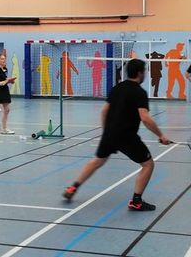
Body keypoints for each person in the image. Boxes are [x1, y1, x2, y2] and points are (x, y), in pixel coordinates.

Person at [62, 59, 171, 211]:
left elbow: (104, 111)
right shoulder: (139, 92)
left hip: (110, 133)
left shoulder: (117, 88)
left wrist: (105, 132)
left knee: (98, 161)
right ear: (140, 73)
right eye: (144, 71)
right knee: (148, 164)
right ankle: (136, 201)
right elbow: (145, 118)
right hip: (126, 136)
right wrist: (161, 135)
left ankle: (72, 188)